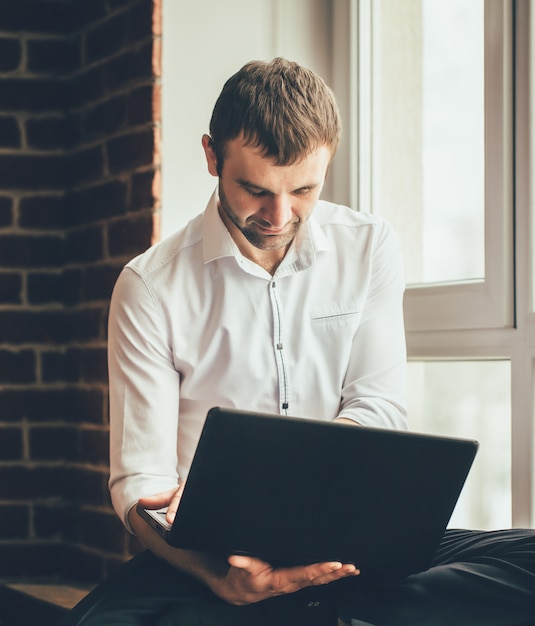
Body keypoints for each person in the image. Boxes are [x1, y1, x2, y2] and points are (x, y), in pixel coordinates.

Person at [60, 58, 535, 626]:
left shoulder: (368, 246)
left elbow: (377, 406)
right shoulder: (149, 286)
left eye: (304, 190)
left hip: (357, 550)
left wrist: (282, 484)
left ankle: (325, 608)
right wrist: (221, 579)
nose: (280, 216)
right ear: (212, 156)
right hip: (220, 559)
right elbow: (140, 482)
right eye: (256, 190)